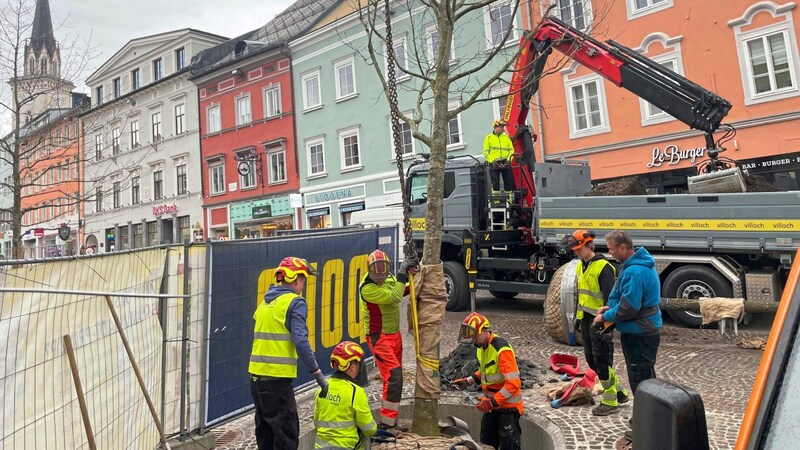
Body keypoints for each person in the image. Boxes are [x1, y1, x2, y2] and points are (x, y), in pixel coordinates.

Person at [249, 256, 328, 450]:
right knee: (286, 436)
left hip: (256, 379)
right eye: (303, 279)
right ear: (295, 279)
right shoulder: (295, 302)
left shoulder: (266, 302)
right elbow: (300, 341)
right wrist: (317, 373)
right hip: (277, 381)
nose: (303, 284)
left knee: (266, 435)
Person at [594, 230, 662, 440]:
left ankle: (648, 426)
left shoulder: (634, 271)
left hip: (639, 332)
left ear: (623, 248)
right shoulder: (636, 266)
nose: (610, 252)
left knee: (640, 378)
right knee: (646, 375)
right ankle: (647, 417)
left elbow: (629, 309)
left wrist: (606, 318)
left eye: (612, 248)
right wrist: (610, 308)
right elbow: (626, 301)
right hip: (642, 329)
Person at [559, 229, 629, 416]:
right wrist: (578, 320)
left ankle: (610, 399)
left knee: (601, 360)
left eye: (578, 248)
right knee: (592, 360)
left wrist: (607, 324)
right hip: (588, 320)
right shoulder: (583, 265)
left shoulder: (603, 267)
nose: (575, 251)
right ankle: (619, 391)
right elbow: (583, 297)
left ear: (588, 246)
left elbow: (611, 299)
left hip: (601, 321)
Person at [360, 249, 418, 428]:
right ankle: (387, 423)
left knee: (391, 378)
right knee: (394, 376)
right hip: (379, 338)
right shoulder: (367, 288)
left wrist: (413, 277)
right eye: (376, 270)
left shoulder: (389, 278)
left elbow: (402, 289)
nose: (380, 274)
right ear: (369, 270)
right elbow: (395, 296)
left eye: (383, 269)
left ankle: (391, 420)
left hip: (394, 335)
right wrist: (402, 273)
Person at [453, 312, 523, 450]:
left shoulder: (501, 349)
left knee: (509, 446)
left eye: (475, 336)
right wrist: (469, 380)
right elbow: (487, 371)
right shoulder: (481, 347)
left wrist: (491, 402)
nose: (473, 340)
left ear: (485, 330)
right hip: (492, 407)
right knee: (486, 443)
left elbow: (513, 384)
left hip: (508, 409)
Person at [313, 341, 377, 449]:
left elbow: (316, 424)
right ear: (352, 366)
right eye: (358, 363)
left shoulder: (321, 389)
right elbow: (368, 429)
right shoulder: (355, 392)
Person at [483, 119, 516, 193]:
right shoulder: (488, 138)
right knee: (495, 184)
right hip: (494, 163)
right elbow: (486, 153)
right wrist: (492, 161)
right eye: (501, 127)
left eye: (503, 127)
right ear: (495, 127)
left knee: (508, 183)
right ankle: (496, 203)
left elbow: (511, 150)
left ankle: (509, 201)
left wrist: (508, 160)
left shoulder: (506, 137)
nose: (502, 128)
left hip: (506, 162)